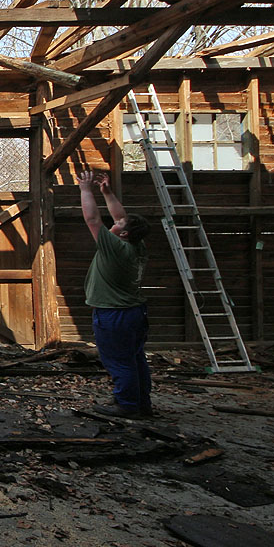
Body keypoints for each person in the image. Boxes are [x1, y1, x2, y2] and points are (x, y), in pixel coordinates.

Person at [78, 171, 155, 419]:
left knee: (119, 362)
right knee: (134, 359)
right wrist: (107, 193)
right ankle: (141, 403)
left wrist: (85, 189)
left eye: (118, 225)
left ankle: (127, 406)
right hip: (134, 312)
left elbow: (92, 219)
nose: (115, 222)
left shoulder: (115, 248)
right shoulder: (136, 244)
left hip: (114, 315)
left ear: (122, 234)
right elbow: (122, 217)